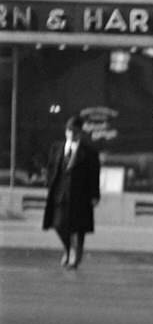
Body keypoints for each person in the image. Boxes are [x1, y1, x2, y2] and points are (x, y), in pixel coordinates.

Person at [43, 113, 101, 270]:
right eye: (69, 130)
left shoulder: (89, 152)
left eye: (75, 131)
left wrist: (95, 195)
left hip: (80, 195)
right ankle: (69, 249)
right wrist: (49, 184)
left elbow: (94, 174)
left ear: (80, 132)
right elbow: (51, 168)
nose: (71, 133)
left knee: (78, 227)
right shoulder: (57, 148)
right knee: (58, 224)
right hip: (60, 193)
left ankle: (76, 255)